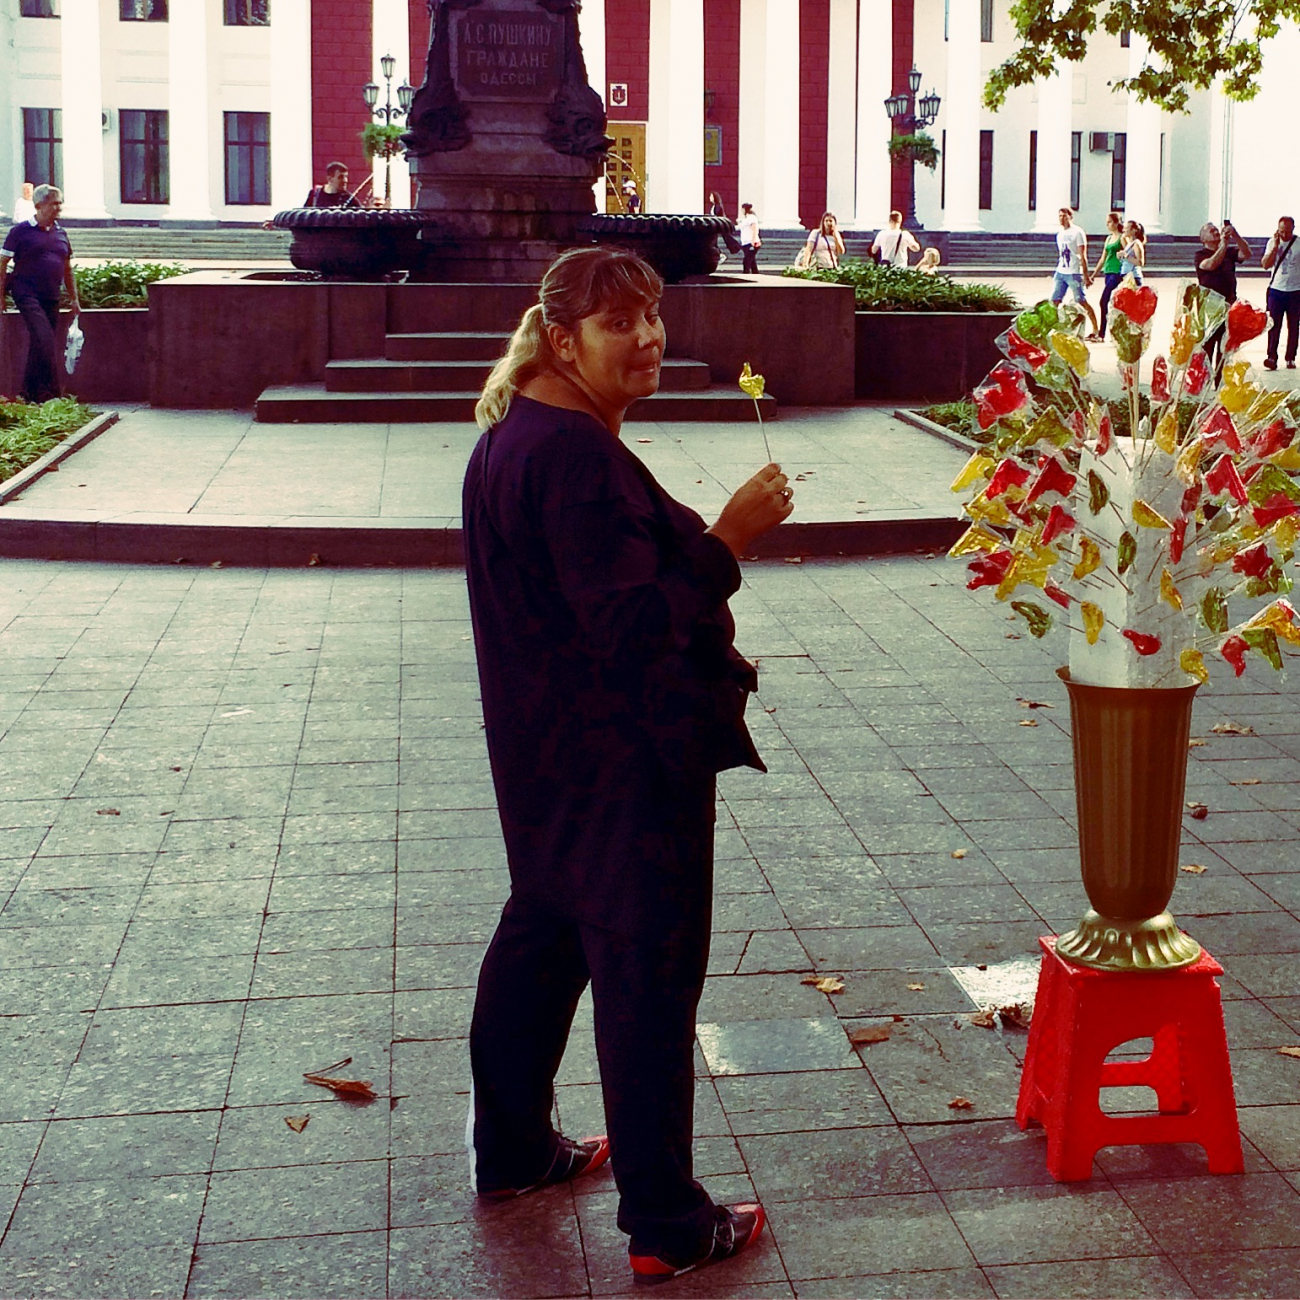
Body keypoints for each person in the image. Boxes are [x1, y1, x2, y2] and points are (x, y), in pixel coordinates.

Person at [462, 247, 790, 1286]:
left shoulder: (522, 435)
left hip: (547, 755)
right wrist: (728, 539)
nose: (647, 339)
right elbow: (634, 624)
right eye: (620, 325)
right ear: (563, 340)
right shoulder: (573, 458)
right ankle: (666, 1219)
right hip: (620, 763)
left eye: (653, 315)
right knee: (645, 976)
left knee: (546, 931)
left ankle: (512, 1147)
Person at [0, 184, 80, 404]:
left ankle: (28, 394)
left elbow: (67, 267)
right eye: (54, 203)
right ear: (39, 206)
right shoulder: (20, 231)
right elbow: (3, 262)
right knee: (44, 339)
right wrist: (0, 295)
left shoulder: (61, 233)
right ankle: (52, 394)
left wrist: (74, 298)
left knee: (41, 343)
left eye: (59, 203)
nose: (59, 208)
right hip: (26, 294)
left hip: (51, 295)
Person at [1195, 219, 1253, 378]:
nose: (1216, 232)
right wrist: (1223, 245)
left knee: (1225, 346)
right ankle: (1203, 381)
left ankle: (1220, 382)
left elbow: (1247, 254)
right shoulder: (1200, 255)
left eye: (1216, 229)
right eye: (1211, 231)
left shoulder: (1228, 251)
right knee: (1207, 347)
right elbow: (1211, 264)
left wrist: (1235, 235)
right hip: (1210, 307)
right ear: (1203, 239)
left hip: (1229, 304)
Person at [1050, 207, 1101, 339]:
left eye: (1064, 216)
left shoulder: (1077, 232)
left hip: (1073, 272)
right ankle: (1051, 328)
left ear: (1070, 217)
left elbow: (1082, 255)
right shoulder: (1059, 235)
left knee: (1081, 301)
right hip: (1061, 270)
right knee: (1054, 301)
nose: (1062, 219)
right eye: (1060, 216)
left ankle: (1095, 329)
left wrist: (1085, 275)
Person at [1262, 214, 1300, 370]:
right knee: (1273, 325)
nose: (1284, 235)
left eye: (1287, 231)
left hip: (1295, 291)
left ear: (1293, 229)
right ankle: (1271, 356)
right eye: (1282, 231)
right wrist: (1275, 248)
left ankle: (1290, 357)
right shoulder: (1272, 243)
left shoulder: (1298, 244)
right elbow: (1265, 265)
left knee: (1294, 326)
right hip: (1276, 291)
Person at [1093, 211, 1124, 340]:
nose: (1108, 225)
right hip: (1108, 271)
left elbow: (1128, 251)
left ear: (1117, 223)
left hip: (1117, 272)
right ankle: (1109, 331)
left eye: (1110, 222)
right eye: (1107, 222)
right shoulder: (1108, 238)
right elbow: (1103, 258)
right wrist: (1094, 274)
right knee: (1110, 302)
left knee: (1104, 300)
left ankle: (1102, 333)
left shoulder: (1122, 237)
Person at [708, 190, 741, 256]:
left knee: (726, 237)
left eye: (711, 196)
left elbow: (716, 215)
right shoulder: (715, 206)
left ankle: (735, 247)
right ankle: (720, 251)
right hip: (716, 225)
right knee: (722, 237)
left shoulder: (717, 206)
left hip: (718, 225)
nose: (710, 198)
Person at [1120, 219, 1146, 285]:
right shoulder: (1129, 244)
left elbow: (1140, 262)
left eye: (1126, 228)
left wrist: (1126, 256)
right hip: (1126, 276)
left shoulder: (1136, 244)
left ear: (1134, 230)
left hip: (1134, 277)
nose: (1123, 230)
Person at [738, 202, 760, 273]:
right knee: (752, 262)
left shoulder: (752, 218)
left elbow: (754, 229)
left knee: (746, 261)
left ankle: (746, 273)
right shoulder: (746, 219)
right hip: (745, 243)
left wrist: (753, 241)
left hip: (751, 242)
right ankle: (755, 274)